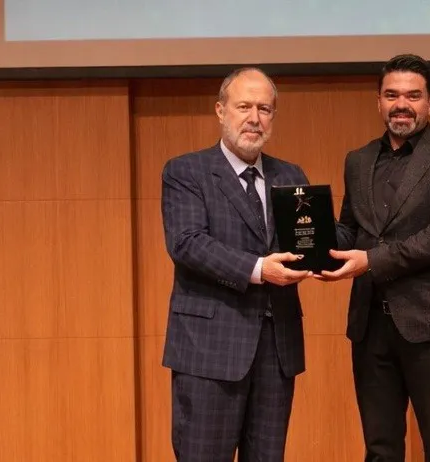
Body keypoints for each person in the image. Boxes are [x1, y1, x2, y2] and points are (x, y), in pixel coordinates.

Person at [318, 54, 430, 462]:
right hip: (369, 326)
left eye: (412, 96)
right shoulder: (358, 160)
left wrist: (372, 260)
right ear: (379, 101)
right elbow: (350, 229)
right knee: (380, 449)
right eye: (391, 95)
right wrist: (313, 241)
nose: (401, 104)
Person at [160, 67, 313, 461]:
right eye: (244, 107)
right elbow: (187, 243)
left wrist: (339, 251)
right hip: (209, 349)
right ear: (220, 110)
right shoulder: (186, 171)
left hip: (276, 350)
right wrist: (260, 269)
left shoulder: (290, 175)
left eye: (264, 109)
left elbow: (307, 241)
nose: (254, 118)